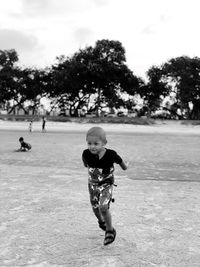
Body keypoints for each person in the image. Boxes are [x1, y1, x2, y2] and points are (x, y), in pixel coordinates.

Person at [82, 127, 128, 246]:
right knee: (95, 208)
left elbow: (121, 162)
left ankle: (109, 230)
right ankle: (101, 222)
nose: (92, 146)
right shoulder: (86, 154)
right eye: (89, 143)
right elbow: (85, 165)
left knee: (103, 207)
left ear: (104, 143)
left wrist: (125, 167)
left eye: (96, 144)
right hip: (92, 186)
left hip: (106, 184)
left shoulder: (111, 154)